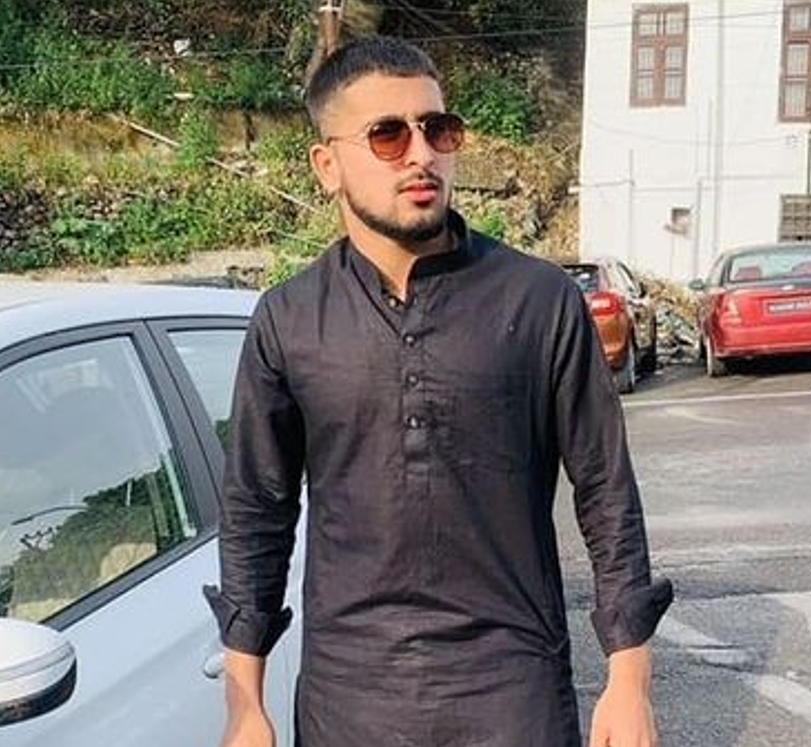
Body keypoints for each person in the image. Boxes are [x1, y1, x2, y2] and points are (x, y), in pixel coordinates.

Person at [208, 35, 673, 747]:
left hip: (511, 689)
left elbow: (605, 490)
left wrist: (629, 677)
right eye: (388, 135)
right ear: (327, 165)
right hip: (348, 697)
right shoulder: (290, 319)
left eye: (438, 128)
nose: (422, 154)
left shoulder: (539, 301)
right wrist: (244, 702)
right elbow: (257, 510)